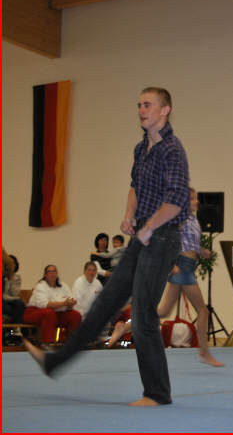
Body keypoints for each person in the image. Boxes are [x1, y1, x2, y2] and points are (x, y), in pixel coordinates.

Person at [24, 86, 190, 407]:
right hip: (142, 236)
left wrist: (148, 228)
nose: (141, 110)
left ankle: (157, 393)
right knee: (104, 304)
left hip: (162, 237)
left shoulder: (172, 150)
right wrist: (129, 215)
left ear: (165, 110)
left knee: (143, 313)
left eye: (148, 104)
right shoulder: (141, 149)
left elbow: (177, 201)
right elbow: (134, 188)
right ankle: (54, 362)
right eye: (139, 104)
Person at [106, 188, 223, 367]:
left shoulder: (192, 219)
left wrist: (201, 251)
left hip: (187, 266)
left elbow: (189, 242)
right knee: (203, 311)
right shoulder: (178, 218)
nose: (197, 201)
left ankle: (126, 326)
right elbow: (165, 239)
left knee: (163, 311)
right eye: (192, 199)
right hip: (182, 267)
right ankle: (204, 353)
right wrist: (171, 264)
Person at [23, 265, 81, 346]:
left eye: (54, 271)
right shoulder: (40, 286)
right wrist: (64, 303)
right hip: (36, 312)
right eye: (50, 272)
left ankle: (71, 343)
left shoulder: (63, 286)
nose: (53, 274)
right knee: (49, 313)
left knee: (75, 315)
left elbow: (70, 299)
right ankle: (48, 343)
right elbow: (44, 304)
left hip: (57, 312)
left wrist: (71, 303)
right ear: (45, 275)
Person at [3, 255, 26, 324]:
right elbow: (3, 295)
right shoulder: (2, 277)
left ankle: (16, 327)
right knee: (18, 306)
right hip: (3, 301)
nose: (11, 266)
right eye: (9, 264)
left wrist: (11, 279)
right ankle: (15, 327)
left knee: (20, 305)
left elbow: (15, 293)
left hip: (13, 302)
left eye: (13, 263)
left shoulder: (17, 278)